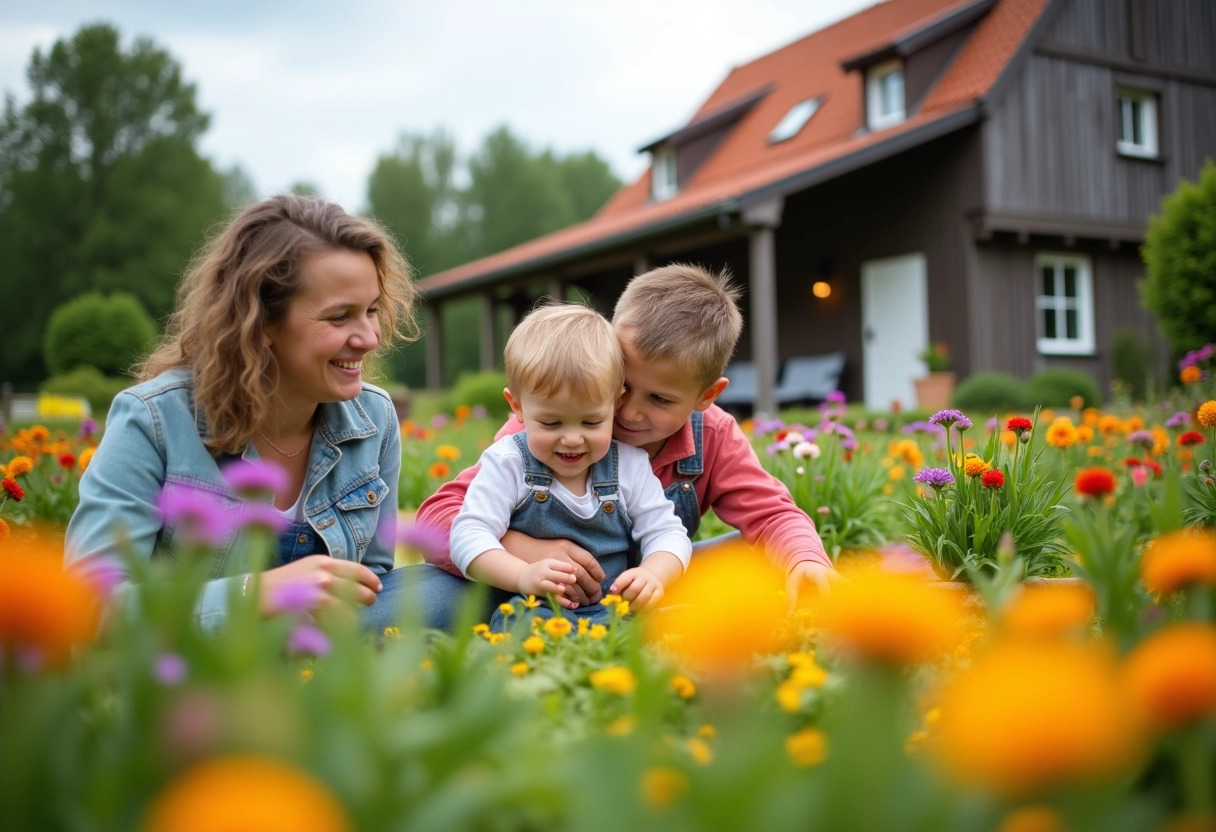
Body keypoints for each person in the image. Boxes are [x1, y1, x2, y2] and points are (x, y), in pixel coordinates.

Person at [391, 263, 834, 630]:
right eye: (622, 386)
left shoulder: (712, 434)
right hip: (524, 583)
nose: (629, 411)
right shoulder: (551, 428)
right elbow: (439, 519)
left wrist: (802, 559)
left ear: (705, 396)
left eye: (659, 399)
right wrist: (529, 554)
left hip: (650, 581)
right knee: (420, 607)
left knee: (756, 557)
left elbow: (771, 513)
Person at [64, 195, 418, 634]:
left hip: (322, 653)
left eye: (371, 310)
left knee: (453, 585)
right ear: (262, 323)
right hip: (190, 664)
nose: (369, 337)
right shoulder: (153, 420)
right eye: (340, 317)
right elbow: (87, 607)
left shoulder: (375, 418)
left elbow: (373, 588)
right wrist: (255, 595)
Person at [449, 303, 691, 628]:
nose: (573, 439)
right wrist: (522, 575)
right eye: (551, 423)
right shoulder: (509, 461)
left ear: (616, 404)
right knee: (519, 625)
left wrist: (652, 574)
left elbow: (666, 531)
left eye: (592, 422)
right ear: (517, 406)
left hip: (617, 606)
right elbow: (469, 533)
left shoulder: (629, 466)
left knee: (674, 625)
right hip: (540, 606)